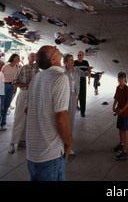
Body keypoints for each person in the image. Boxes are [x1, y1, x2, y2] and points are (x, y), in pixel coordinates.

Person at [25, 45, 73, 181]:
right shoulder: (60, 78)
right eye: (54, 48)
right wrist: (69, 142)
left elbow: (27, 110)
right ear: (53, 59)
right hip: (50, 154)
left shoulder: (37, 77)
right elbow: (61, 118)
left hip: (32, 154)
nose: (56, 47)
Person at [8, 53, 39, 153]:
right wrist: (26, 84)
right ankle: (12, 143)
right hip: (24, 93)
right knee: (18, 117)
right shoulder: (23, 68)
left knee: (29, 119)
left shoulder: (37, 69)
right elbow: (14, 83)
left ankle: (22, 140)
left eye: (35, 56)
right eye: (32, 56)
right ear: (28, 58)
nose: (33, 58)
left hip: (33, 95)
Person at [63, 54, 92, 153]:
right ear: (65, 62)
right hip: (63, 96)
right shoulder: (62, 72)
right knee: (61, 119)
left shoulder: (76, 70)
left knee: (70, 119)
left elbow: (85, 75)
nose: (73, 61)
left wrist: (89, 70)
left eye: (72, 60)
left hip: (72, 96)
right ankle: (60, 143)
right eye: (70, 60)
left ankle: (68, 145)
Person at [112, 72, 128, 160]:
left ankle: (124, 150)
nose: (121, 80)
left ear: (125, 79)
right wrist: (113, 106)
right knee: (120, 128)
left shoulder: (127, 89)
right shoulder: (118, 88)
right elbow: (116, 98)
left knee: (124, 130)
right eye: (119, 78)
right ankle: (121, 143)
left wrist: (122, 110)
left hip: (125, 113)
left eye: (122, 78)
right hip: (120, 111)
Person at [1, 54, 20, 131]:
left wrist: (15, 88)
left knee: (6, 105)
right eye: (16, 58)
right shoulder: (5, 66)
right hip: (4, 85)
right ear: (12, 58)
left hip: (11, 86)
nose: (18, 59)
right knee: (1, 104)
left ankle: (3, 123)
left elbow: (17, 77)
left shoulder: (17, 67)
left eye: (18, 58)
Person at [73, 51, 92, 117]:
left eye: (80, 55)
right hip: (75, 80)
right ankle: (73, 108)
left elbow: (88, 72)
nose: (79, 56)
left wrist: (89, 79)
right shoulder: (74, 62)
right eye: (78, 55)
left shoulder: (85, 62)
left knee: (82, 96)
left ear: (83, 56)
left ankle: (82, 111)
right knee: (74, 95)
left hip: (83, 80)